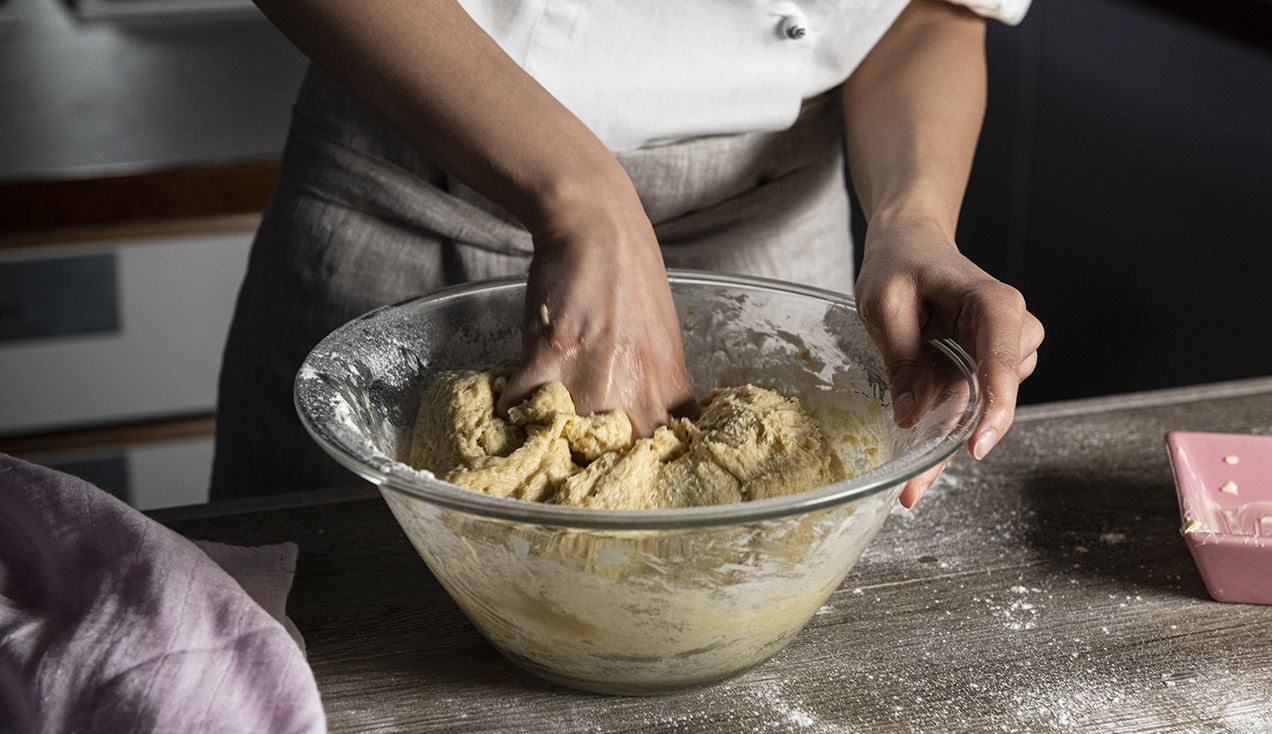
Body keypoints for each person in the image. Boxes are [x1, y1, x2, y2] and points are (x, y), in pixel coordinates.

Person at [211, 0, 1045, 508]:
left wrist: (914, 217)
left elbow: (922, 9)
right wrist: (587, 200)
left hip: (773, 238)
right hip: (417, 209)